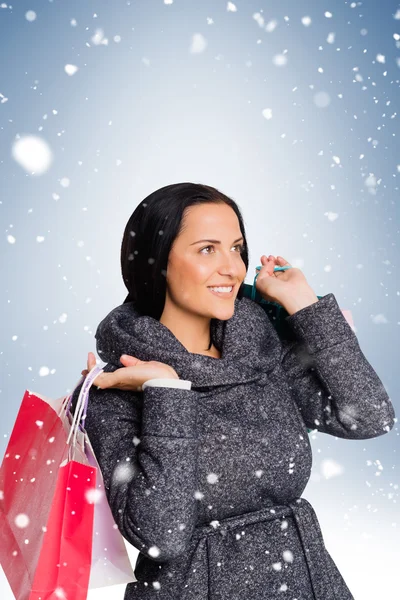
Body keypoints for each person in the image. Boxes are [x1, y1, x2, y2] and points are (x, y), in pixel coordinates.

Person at [70, 182, 395, 600]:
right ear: (158, 262)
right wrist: (167, 390)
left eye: (237, 248)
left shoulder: (261, 352)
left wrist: (306, 306)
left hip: (305, 581)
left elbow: (370, 416)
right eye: (207, 249)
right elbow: (161, 536)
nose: (232, 268)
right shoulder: (117, 387)